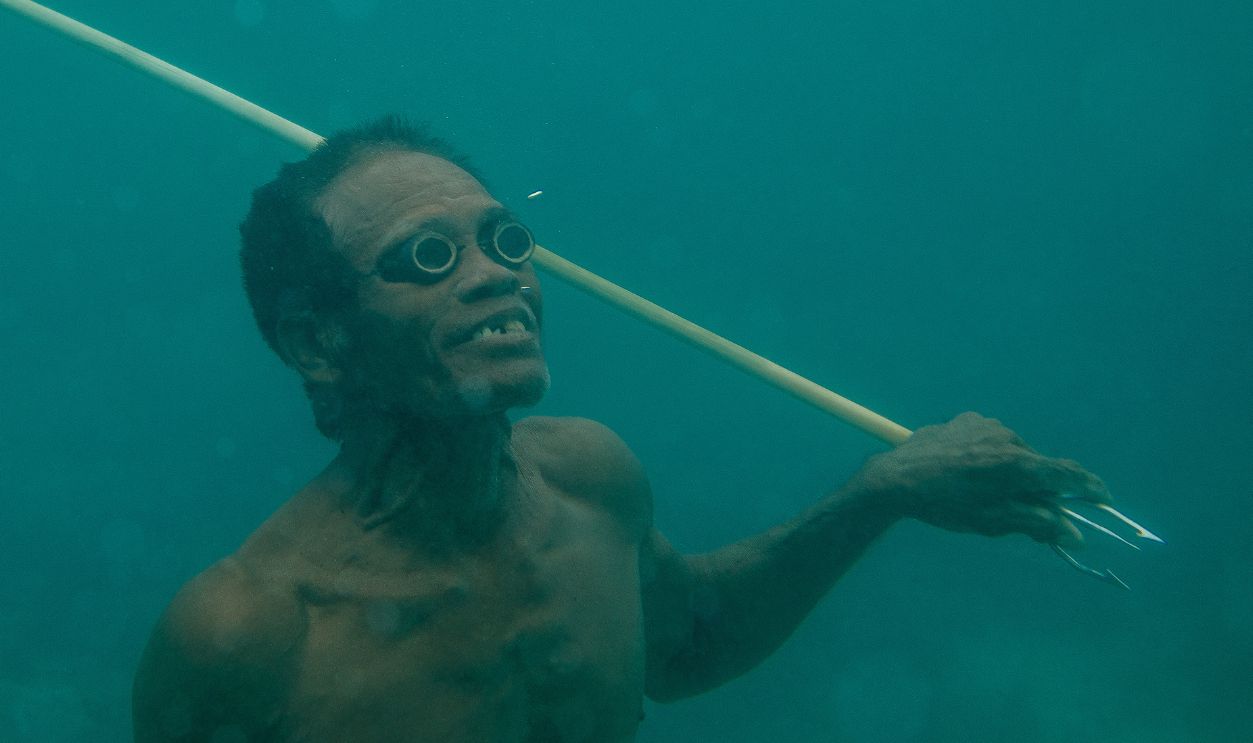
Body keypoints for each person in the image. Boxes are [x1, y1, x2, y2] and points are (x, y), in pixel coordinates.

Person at [131, 117, 1109, 743]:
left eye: (504, 237)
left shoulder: (589, 478)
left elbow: (684, 648)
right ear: (318, 342)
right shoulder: (245, 633)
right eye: (426, 256)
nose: (497, 273)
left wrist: (876, 496)